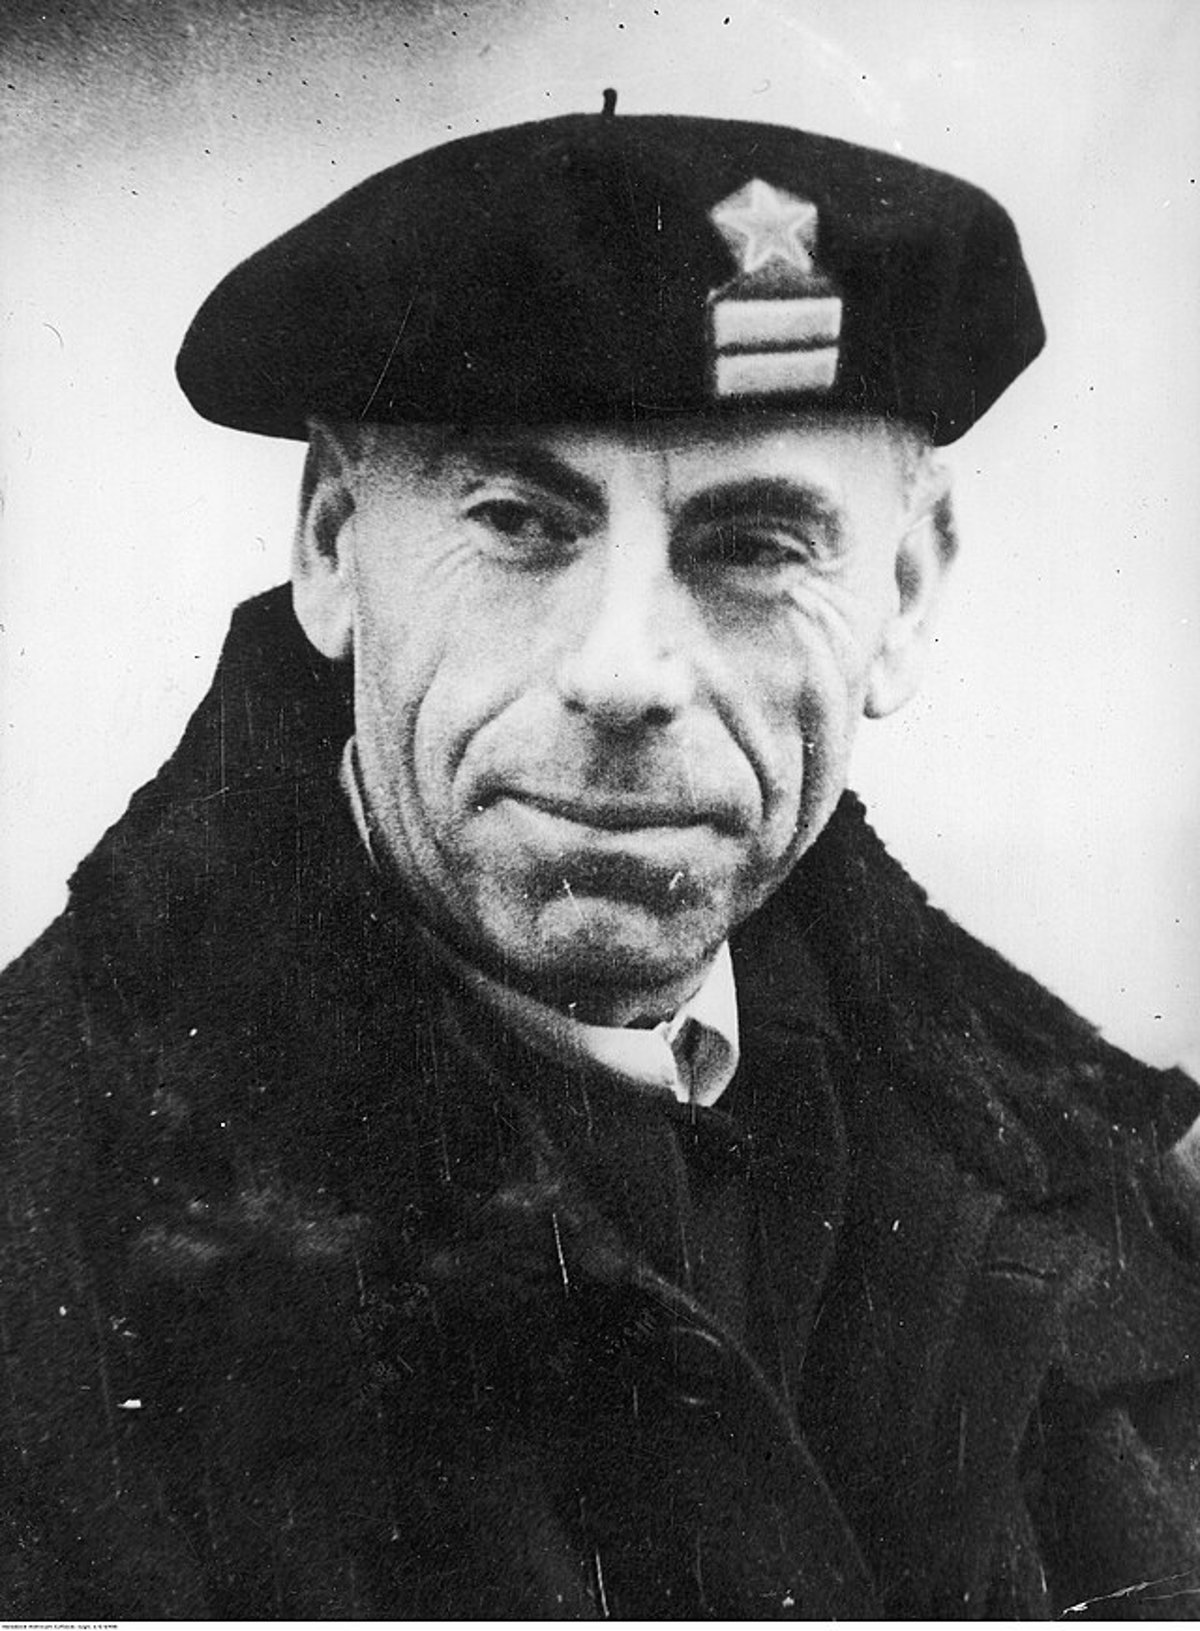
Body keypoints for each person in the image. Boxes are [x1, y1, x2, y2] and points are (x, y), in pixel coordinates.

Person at [2, 101, 1198, 1621]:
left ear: (904, 593)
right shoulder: (45, 1224)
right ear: (329, 544)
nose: (624, 671)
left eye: (753, 546)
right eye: (518, 521)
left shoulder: (1107, 1195)